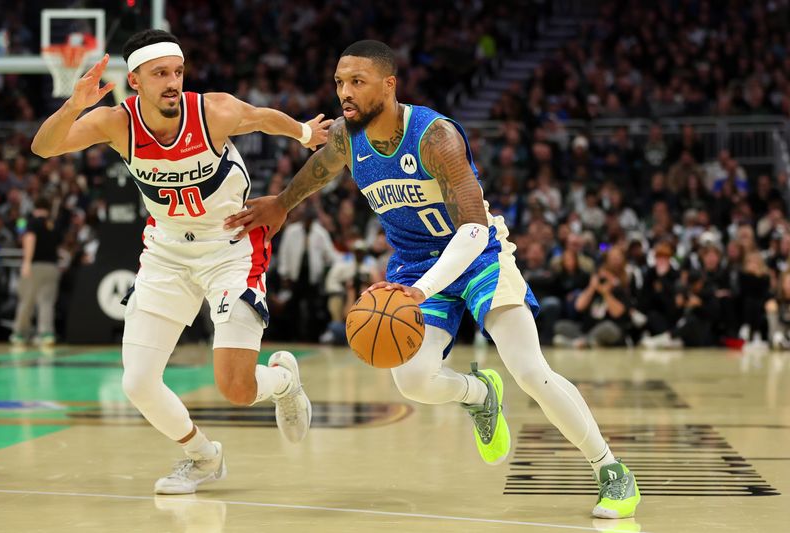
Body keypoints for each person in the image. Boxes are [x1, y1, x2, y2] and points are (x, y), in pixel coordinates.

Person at [225, 40, 640, 519]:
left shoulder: (434, 136)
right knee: (414, 380)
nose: (344, 92)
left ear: (389, 85)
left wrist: (420, 291)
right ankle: (481, 395)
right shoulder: (345, 137)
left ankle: (610, 469)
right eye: (340, 82)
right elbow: (320, 169)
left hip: (479, 254)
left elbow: (472, 227)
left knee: (529, 369)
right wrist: (281, 202)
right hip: (415, 265)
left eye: (356, 82)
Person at [31, 29, 330, 495]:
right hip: (167, 252)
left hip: (230, 248)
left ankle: (283, 382)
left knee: (236, 388)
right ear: (135, 81)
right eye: (160, 74)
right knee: (138, 383)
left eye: (177, 72)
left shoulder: (212, 111)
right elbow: (44, 147)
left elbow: (261, 118)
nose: (172, 82)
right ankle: (203, 457)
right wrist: (75, 105)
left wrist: (306, 132)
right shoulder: (117, 123)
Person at [10, 196, 61, 346]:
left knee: (27, 300)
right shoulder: (53, 224)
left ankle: (20, 333)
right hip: (52, 267)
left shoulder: (32, 222)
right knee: (46, 302)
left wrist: (26, 262)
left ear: (35, 208)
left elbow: (30, 239)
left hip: (35, 266)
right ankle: (46, 334)